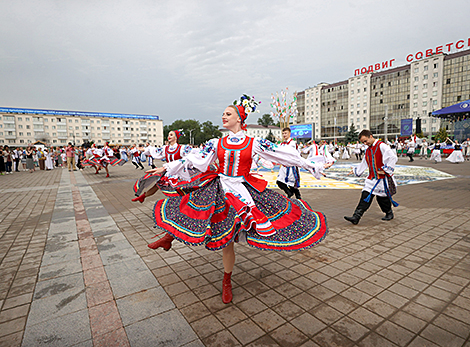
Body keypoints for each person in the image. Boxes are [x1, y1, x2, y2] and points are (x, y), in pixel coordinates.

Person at [144, 95, 329, 304]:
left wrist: (312, 164)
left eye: (228, 114)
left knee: (228, 239)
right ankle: (169, 238)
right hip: (219, 187)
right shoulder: (217, 142)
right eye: (223, 114)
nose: (223, 116)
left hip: (241, 190)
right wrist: (166, 167)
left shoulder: (254, 142)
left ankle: (226, 281)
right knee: (192, 212)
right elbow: (194, 158)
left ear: (239, 119)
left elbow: (282, 154)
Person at [344, 129, 398, 225]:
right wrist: (356, 170)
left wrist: (385, 170)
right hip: (372, 179)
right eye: (363, 142)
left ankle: (389, 213)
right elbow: (364, 162)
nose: (365, 143)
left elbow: (392, 157)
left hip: (382, 180)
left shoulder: (382, 146)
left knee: (382, 199)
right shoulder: (368, 150)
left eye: (366, 141)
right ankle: (356, 216)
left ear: (371, 136)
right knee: (365, 195)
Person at [132, 130, 192, 206]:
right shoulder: (165, 148)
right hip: (169, 172)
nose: (169, 136)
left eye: (171, 135)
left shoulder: (182, 148)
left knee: (180, 190)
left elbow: (192, 157)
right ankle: (143, 196)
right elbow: (154, 150)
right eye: (168, 135)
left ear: (176, 137)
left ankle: (183, 205)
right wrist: (142, 149)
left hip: (180, 173)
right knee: (157, 186)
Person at [276, 128, 302, 199]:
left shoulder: (292, 143)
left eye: (286, 133)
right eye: (283, 133)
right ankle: (289, 192)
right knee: (279, 182)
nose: (284, 135)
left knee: (292, 183)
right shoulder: (282, 144)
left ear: (289, 133)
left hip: (292, 166)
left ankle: (298, 196)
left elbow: (295, 154)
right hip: (284, 166)